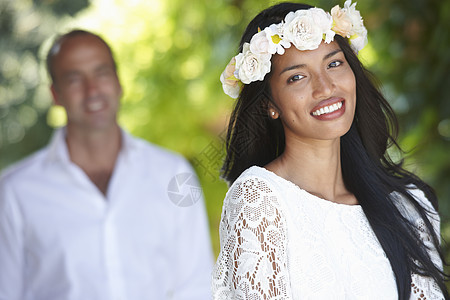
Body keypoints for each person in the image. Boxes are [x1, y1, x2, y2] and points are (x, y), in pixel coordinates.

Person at [212, 1, 449, 299]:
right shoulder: (260, 200)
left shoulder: (407, 206)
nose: (325, 88)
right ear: (269, 104)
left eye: (334, 63)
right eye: (297, 77)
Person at [0, 29, 213, 300]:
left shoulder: (173, 173)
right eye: (74, 78)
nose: (92, 90)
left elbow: (196, 286)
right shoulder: (15, 192)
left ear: (118, 81)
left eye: (101, 73)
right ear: (55, 94)